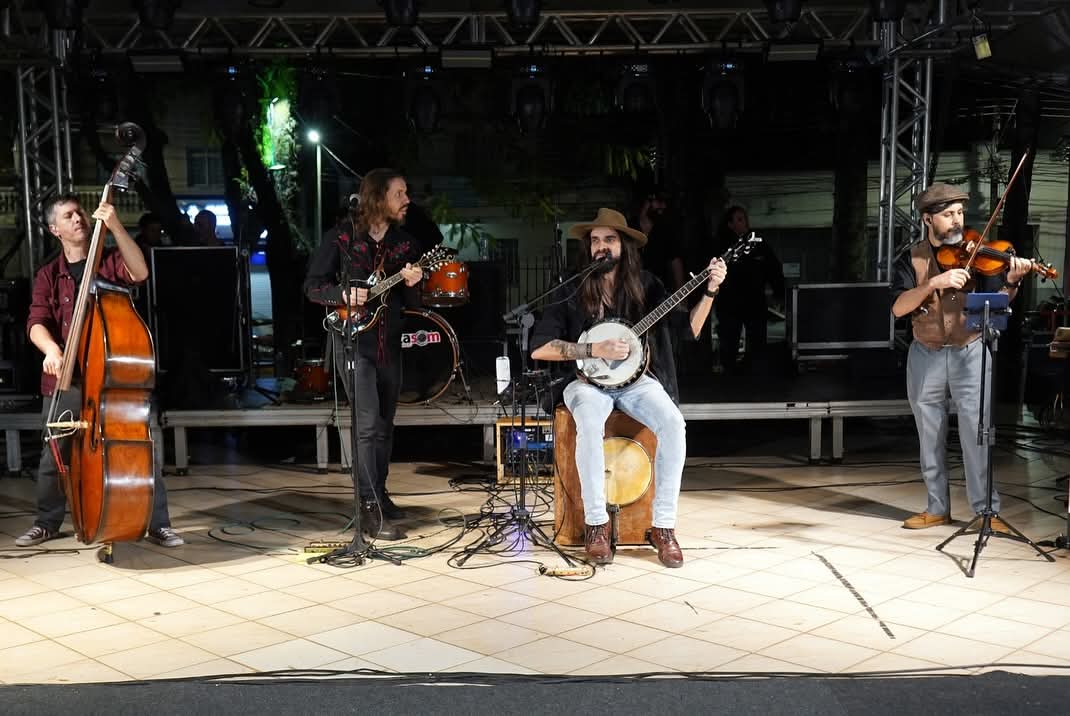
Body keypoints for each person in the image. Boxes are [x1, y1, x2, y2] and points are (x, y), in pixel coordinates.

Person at [531, 208, 726, 568]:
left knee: (673, 424)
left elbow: (691, 329)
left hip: (637, 382)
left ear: (624, 245)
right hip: (585, 383)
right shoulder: (573, 289)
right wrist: (592, 350)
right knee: (588, 422)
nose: (601, 247)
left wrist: (711, 290)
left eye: (609, 239)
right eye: (595, 241)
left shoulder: (647, 286)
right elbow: (540, 347)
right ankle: (595, 524)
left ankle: (663, 527)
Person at [16, 193, 183, 548]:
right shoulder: (49, 274)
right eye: (68, 216)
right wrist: (51, 349)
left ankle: (158, 522)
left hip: (110, 379)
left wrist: (116, 225)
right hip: (66, 379)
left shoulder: (107, 263)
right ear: (54, 229)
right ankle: (47, 522)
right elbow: (36, 322)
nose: (77, 219)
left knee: (139, 448)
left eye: (79, 213)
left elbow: (140, 272)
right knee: (54, 454)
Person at [891, 182, 1033, 531]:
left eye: (959, 213)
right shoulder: (910, 258)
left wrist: (1011, 283)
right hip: (925, 353)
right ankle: (937, 507)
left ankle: (987, 511)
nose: (957, 221)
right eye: (948, 215)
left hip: (970, 351)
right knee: (930, 434)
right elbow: (898, 309)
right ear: (928, 219)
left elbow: (996, 303)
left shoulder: (979, 254)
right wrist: (932, 285)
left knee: (977, 433)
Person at [304, 168, 423, 541]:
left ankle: (379, 493)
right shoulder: (341, 238)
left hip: (390, 342)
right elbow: (311, 287)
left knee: (385, 425)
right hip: (353, 341)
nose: (407, 199)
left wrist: (415, 283)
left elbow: (412, 303)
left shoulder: (405, 245)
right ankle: (367, 508)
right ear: (377, 197)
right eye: (399, 193)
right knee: (367, 424)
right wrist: (342, 296)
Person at [712, 206, 784, 374]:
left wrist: (778, 292)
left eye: (743, 218)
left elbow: (773, 268)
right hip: (730, 301)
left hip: (754, 299)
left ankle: (756, 373)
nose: (743, 222)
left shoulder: (759, 243)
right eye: (738, 219)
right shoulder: (722, 245)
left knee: (758, 341)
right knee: (729, 341)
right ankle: (730, 375)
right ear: (730, 224)